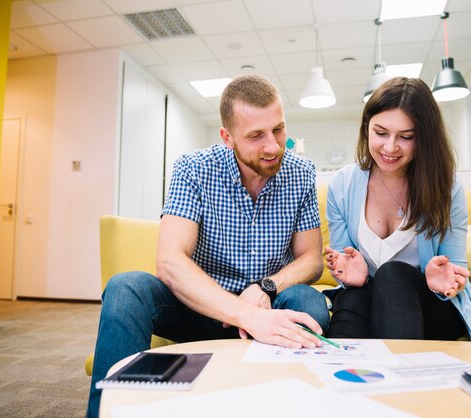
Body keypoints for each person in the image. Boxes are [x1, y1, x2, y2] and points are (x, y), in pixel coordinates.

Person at [87, 74, 330, 417]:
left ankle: (286, 406)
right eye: (256, 135)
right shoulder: (194, 169)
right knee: (126, 288)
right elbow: (170, 262)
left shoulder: (301, 172)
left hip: (268, 309)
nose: (274, 146)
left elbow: (311, 259)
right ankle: (108, 412)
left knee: (309, 302)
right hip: (201, 309)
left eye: (278, 129)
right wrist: (243, 314)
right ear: (227, 137)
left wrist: (265, 287)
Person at [323, 77, 471, 341]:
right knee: (353, 297)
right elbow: (344, 267)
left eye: (406, 137)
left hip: (432, 307)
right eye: (381, 133)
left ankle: (403, 377)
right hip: (371, 301)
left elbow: (454, 269)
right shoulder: (342, 184)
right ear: (366, 128)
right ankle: (336, 375)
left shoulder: (446, 187)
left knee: (392, 274)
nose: (390, 147)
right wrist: (350, 276)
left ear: (424, 139)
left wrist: (440, 282)